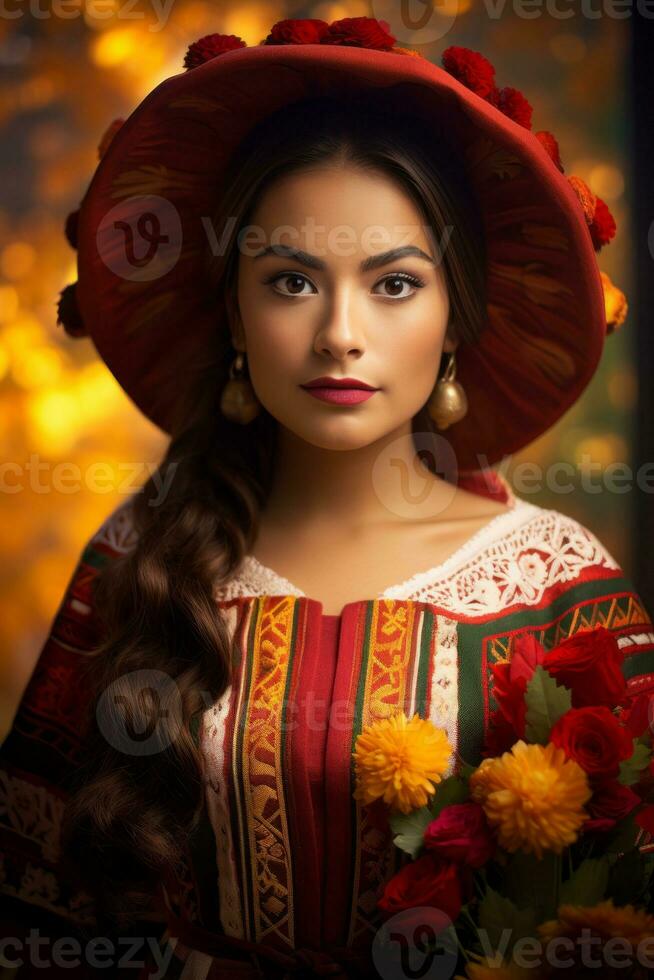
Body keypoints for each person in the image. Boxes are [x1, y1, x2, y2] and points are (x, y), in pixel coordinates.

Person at [1, 16, 653, 980]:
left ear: (454, 317)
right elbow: (35, 903)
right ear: (233, 311)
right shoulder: (138, 556)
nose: (339, 333)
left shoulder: (560, 590)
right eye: (292, 281)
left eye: (393, 284)